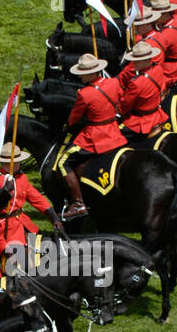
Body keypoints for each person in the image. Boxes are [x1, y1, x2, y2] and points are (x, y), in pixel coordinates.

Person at [53, 51, 126, 221]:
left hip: (96, 136)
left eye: (83, 74)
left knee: (63, 163)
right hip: (114, 131)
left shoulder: (84, 94)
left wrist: (69, 126)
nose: (81, 77)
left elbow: (74, 118)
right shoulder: (114, 83)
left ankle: (78, 204)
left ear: (92, 73)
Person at [0, 142, 65, 244]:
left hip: (23, 222)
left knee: (45, 243)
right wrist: (5, 190)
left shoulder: (21, 178)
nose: (20, 163)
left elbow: (37, 198)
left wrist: (54, 217)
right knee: (19, 256)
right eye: (18, 161)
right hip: (6, 227)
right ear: (11, 163)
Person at [118, 41, 169, 139]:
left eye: (136, 61)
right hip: (157, 114)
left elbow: (124, 106)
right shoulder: (158, 68)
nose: (133, 63)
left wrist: (117, 108)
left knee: (115, 135)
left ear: (145, 60)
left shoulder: (136, 82)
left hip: (142, 121)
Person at [147, 0, 177, 85]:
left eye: (155, 15)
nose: (153, 18)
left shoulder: (165, 35)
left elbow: (152, 57)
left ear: (164, 14)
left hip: (169, 72)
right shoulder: (176, 18)